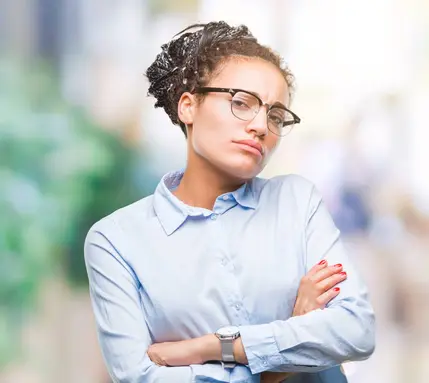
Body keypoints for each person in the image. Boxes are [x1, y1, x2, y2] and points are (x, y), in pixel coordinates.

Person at [84, 21, 375, 383]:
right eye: (241, 102)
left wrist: (210, 348)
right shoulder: (115, 240)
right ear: (188, 106)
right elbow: (139, 377)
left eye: (275, 115)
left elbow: (357, 330)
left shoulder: (296, 202)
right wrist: (289, 346)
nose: (261, 126)